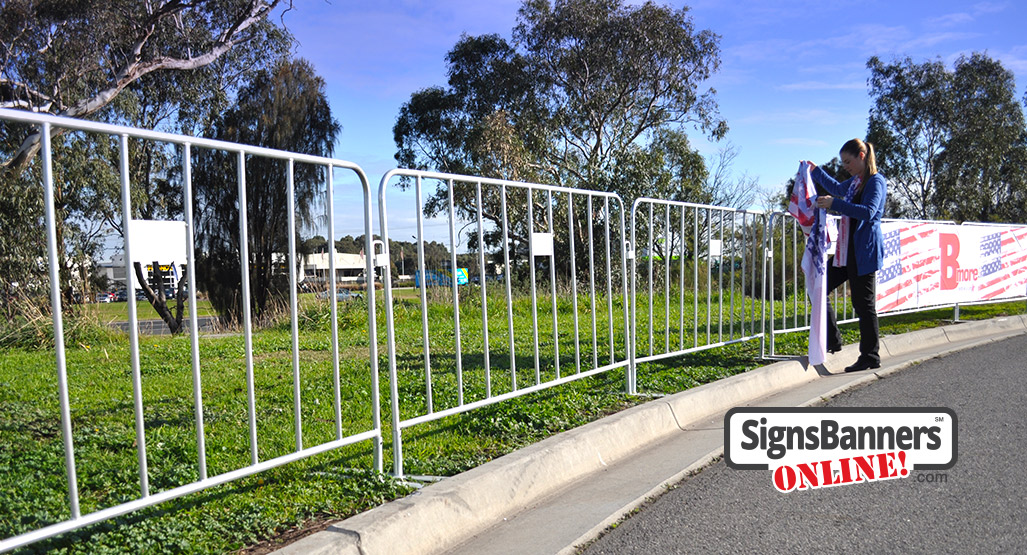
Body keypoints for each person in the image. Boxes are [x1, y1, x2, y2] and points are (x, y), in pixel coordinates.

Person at [804, 138, 887, 372]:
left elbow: (869, 212)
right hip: (845, 253)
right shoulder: (855, 182)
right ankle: (833, 339)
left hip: (863, 253)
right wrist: (815, 171)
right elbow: (837, 189)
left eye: (848, 161)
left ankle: (870, 356)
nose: (845, 167)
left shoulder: (875, 181)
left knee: (864, 306)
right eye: (843, 162)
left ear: (862, 156)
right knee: (817, 287)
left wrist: (834, 204)